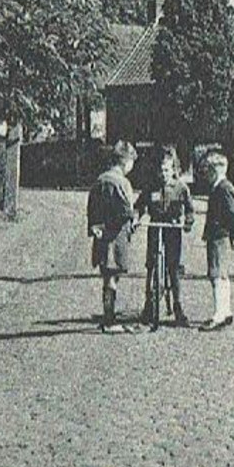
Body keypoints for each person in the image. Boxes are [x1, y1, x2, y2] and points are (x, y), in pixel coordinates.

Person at [86, 140, 140, 333]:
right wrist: (132, 220)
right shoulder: (122, 182)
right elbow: (126, 210)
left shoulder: (100, 180)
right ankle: (109, 320)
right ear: (126, 162)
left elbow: (92, 207)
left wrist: (94, 226)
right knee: (112, 278)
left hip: (101, 235)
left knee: (106, 276)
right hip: (116, 236)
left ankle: (108, 314)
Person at [141, 146, 194, 329]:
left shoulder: (181, 188)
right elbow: (139, 206)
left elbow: (189, 209)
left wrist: (188, 221)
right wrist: (135, 218)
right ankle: (149, 305)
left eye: (166, 170)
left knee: (174, 267)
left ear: (173, 170)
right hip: (155, 227)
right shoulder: (150, 187)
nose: (163, 174)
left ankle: (178, 306)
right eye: (160, 170)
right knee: (151, 266)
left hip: (172, 228)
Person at [200, 149, 234, 330]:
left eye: (207, 170)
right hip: (219, 235)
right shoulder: (220, 187)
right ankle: (226, 311)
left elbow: (232, 213)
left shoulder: (224, 188)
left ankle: (219, 314)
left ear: (215, 170)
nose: (205, 175)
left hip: (219, 236)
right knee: (221, 275)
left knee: (216, 275)